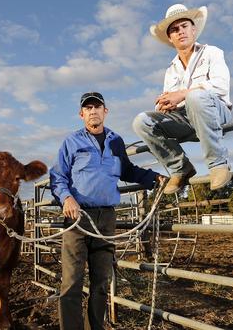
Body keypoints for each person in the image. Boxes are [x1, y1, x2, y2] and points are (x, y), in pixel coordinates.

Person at [50, 92, 165, 330]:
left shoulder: (116, 141)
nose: (93, 111)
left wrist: (154, 178)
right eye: (88, 107)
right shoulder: (71, 142)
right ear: (81, 114)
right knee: (71, 281)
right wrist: (66, 198)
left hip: (107, 219)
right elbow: (57, 176)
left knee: (101, 281)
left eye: (97, 106)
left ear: (105, 111)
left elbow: (128, 170)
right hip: (77, 218)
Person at [133, 3, 233, 194]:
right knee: (141, 121)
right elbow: (170, 98)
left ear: (194, 29)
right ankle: (180, 168)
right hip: (186, 118)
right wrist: (163, 104)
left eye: (184, 26)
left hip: (215, 111)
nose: (180, 32)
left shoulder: (212, 52)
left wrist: (181, 94)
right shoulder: (171, 69)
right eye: (174, 30)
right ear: (170, 38)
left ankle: (218, 164)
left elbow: (220, 86)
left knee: (195, 96)